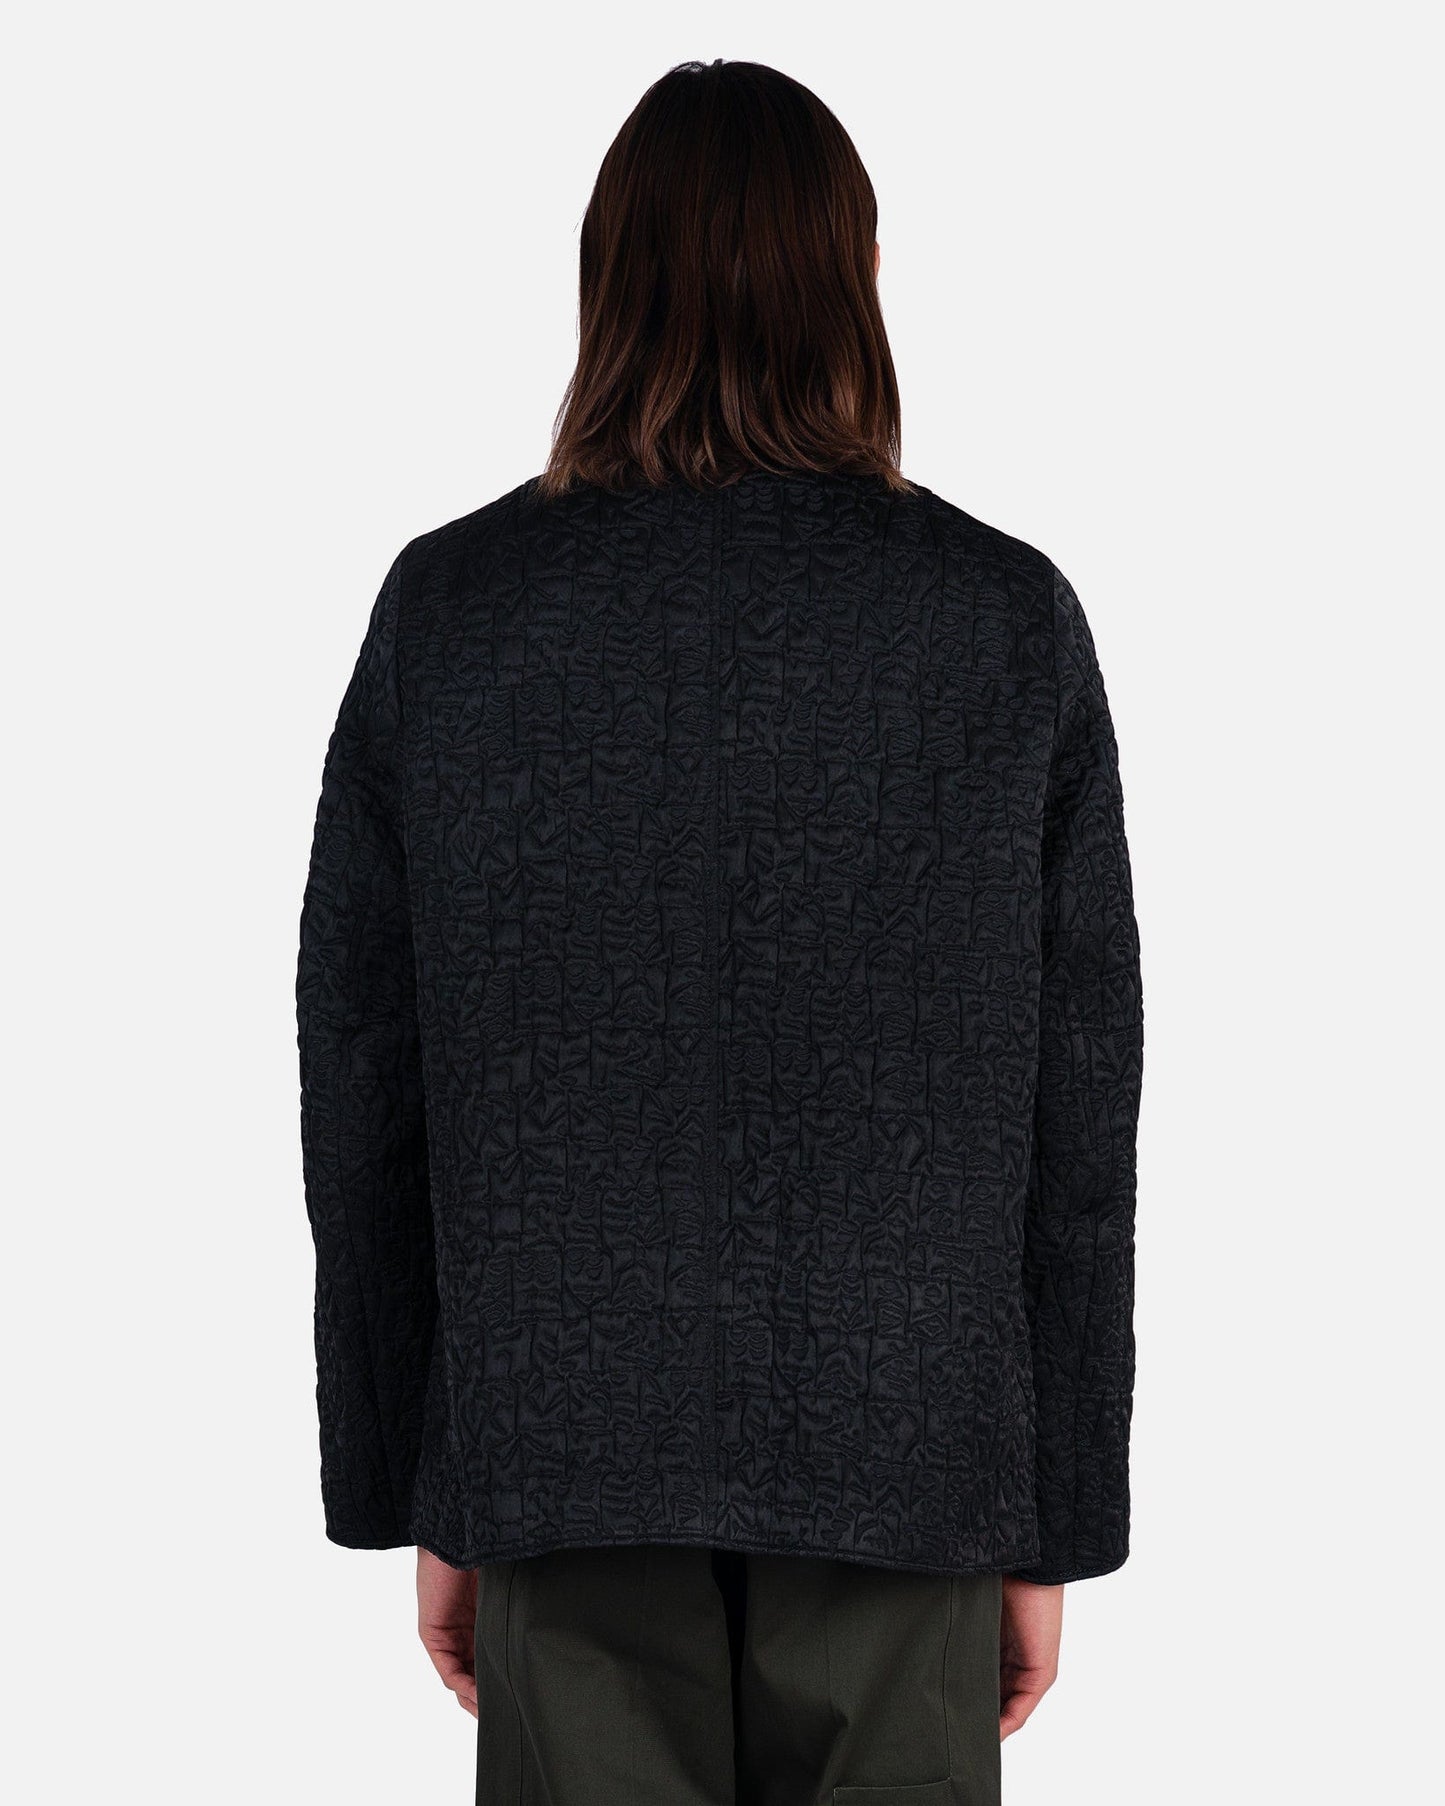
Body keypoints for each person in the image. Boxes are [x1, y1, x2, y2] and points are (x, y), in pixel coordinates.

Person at [296, 57, 1143, 1806]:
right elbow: (1078, 1116)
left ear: (606, 279)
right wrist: (1053, 1516)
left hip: (560, 1444)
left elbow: (362, 1074)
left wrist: (422, 1477)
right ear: (860, 279)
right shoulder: (999, 621)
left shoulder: (452, 613)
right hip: (906, 1457)